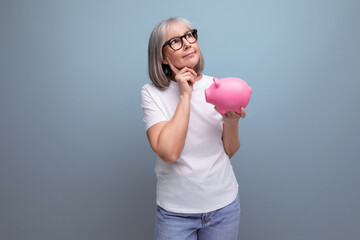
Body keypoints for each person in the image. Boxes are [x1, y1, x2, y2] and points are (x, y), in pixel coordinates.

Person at [141, 17, 247, 240]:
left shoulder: (216, 87)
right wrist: (185, 95)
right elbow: (169, 152)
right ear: (162, 57)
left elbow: (230, 150)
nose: (188, 43)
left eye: (189, 35)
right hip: (176, 215)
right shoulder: (152, 93)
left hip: (223, 208)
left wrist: (231, 121)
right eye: (176, 41)